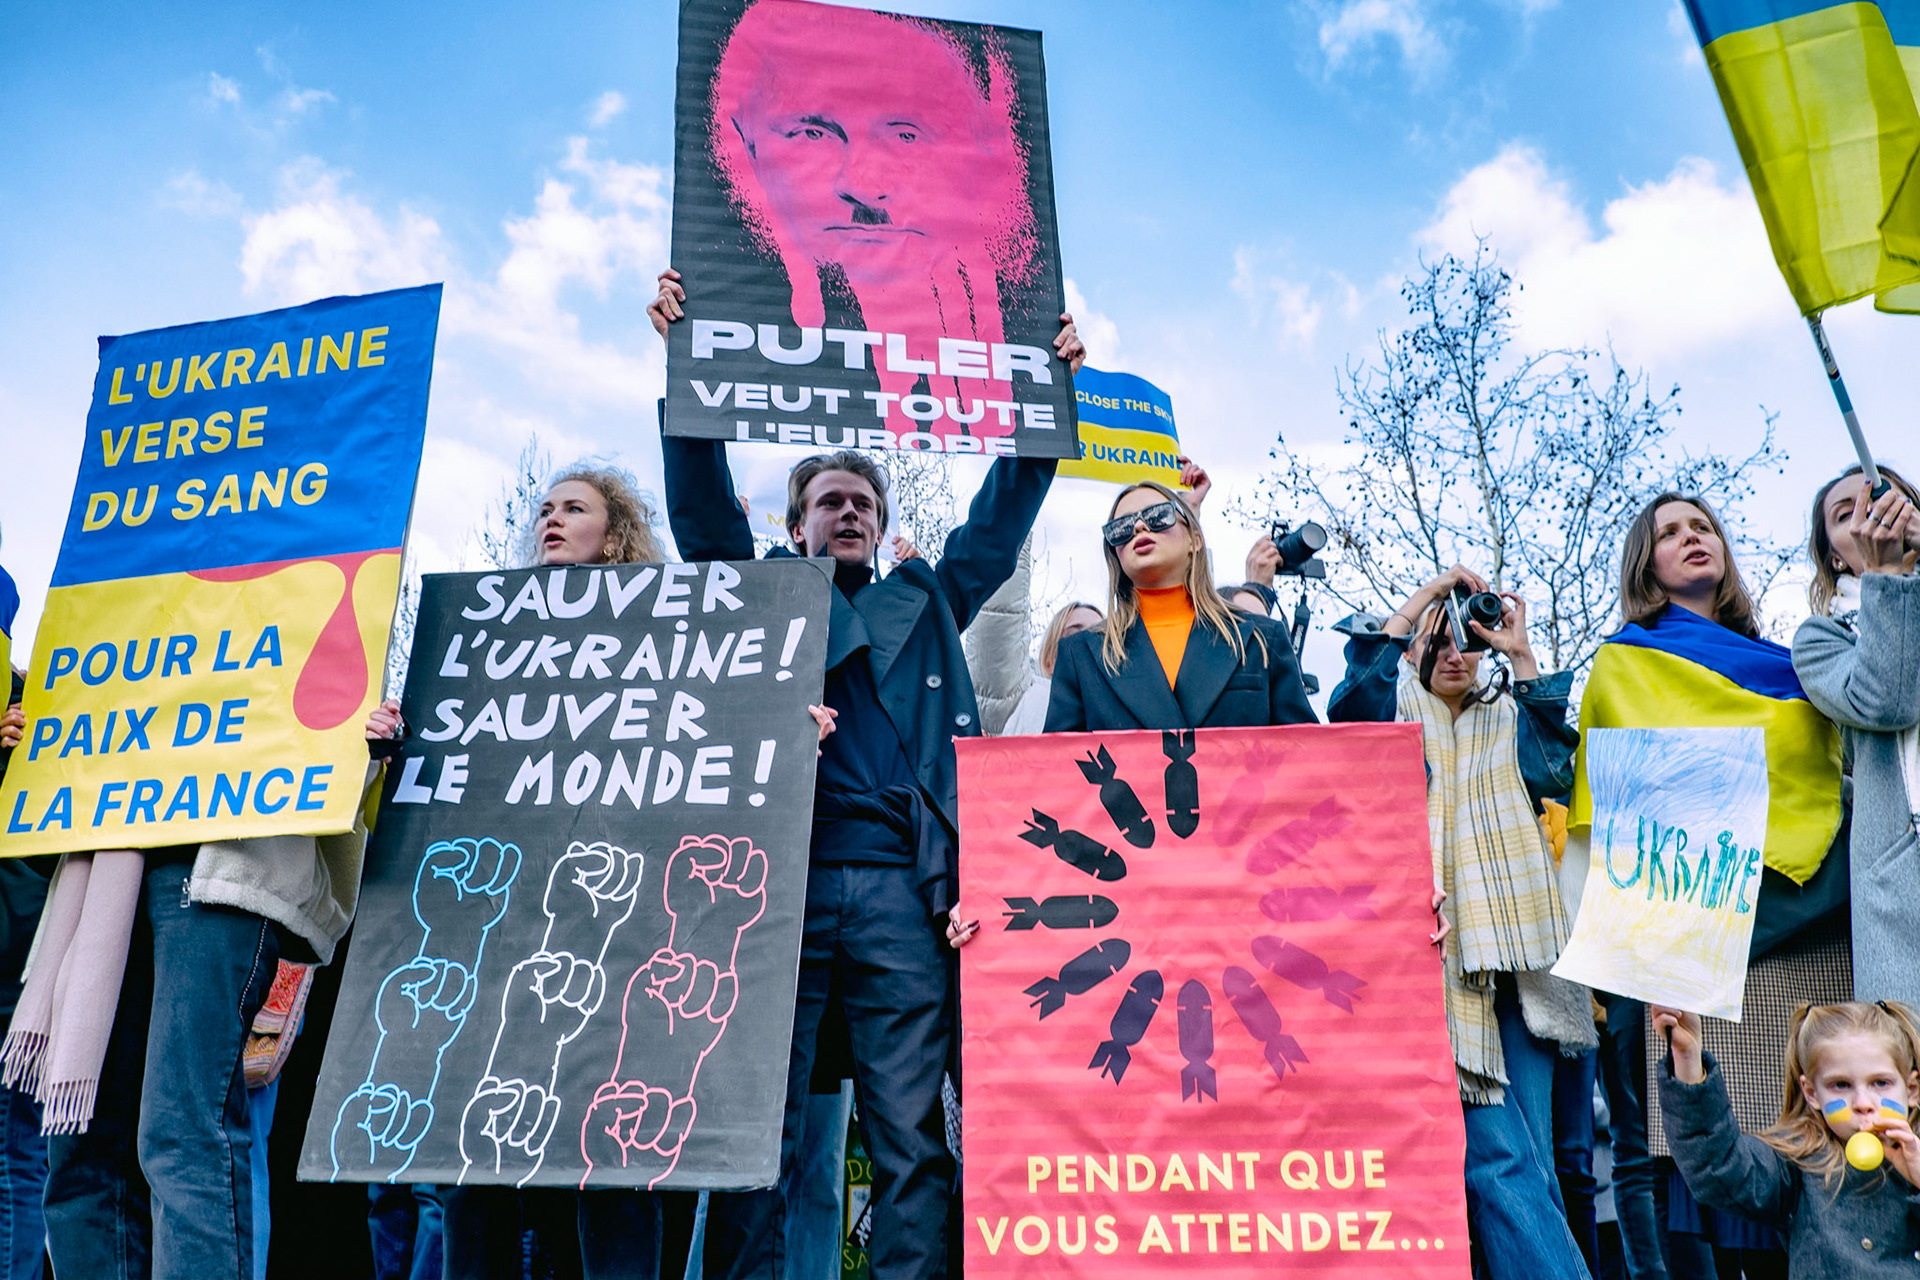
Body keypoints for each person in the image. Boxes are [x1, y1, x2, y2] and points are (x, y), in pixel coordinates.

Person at [651, 270, 1084, 1279]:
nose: (845, 512)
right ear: (798, 521)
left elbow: (1000, 516)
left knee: (908, 1134)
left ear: (882, 521)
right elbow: (703, 515)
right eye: (827, 500)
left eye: (861, 500)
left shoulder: (927, 598)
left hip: (901, 889)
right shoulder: (763, 593)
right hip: (776, 893)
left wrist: (1045, 392)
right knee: (752, 1130)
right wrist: (685, 367)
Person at [4, 668, 385, 1277]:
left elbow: (327, 695)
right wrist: (38, 749)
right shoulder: (119, 582)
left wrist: (358, 742)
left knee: (181, 1132)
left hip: (227, 863)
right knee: (80, 1150)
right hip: (100, 861)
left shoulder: (304, 576)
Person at [1570, 492, 1847, 1280]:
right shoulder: (1625, 661)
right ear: (1646, 564)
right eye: (1669, 533)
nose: (1692, 540)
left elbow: (1827, 776)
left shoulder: (1794, 664)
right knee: (1718, 1166)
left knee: (1810, 1146)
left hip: (1811, 918)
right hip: (1706, 928)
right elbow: (1620, 799)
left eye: (1703, 528)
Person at [1327, 565, 1596, 1280]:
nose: (1455, 655)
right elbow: (1347, 708)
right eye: (1437, 641)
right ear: (1413, 647)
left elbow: (1555, 775)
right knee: (1493, 1161)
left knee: (1524, 1161)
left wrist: (1525, 657)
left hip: (1520, 967)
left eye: (1468, 643)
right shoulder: (1389, 719)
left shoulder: (1511, 715)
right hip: (1420, 961)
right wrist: (1418, 606)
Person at [706, 0, 1040, 410]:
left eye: (905, 136)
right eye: (814, 134)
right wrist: (685, 346)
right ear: (748, 146)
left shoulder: (1014, 339)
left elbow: (1017, 451)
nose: (863, 187)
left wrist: (1057, 384)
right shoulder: (725, 328)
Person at [1653, 1000, 1920, 1277]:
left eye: (1881, 1083)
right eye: (1840, 1085)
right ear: (1812, 1093)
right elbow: (1719, 1165)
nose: (1863, 1103)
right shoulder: (1798, 1164)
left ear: (1912, 1088)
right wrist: (1687, 1057)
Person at [1792, 465, 1920, 1011]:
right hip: (1902, 878)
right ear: (1838, 557)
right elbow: (1886, 701)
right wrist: (1887, 579)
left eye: (1881, 497)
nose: (1868, 512)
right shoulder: (1822, 639)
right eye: (1846, 515)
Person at [1041, 480, 1316, 733]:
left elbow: (1306, 759)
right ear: (1115, 553)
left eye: (1158, 516)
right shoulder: (1080, 656)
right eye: (1122, 528)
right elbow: (1061, 773)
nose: (1138, 528)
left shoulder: (1262, 638)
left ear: (1195, 539)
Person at [997, 601, 1102, 736]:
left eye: (1101, 635)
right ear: (1050, 661)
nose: (1090, 641)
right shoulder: (1025, 698)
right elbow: (1000, 618)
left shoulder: (1126, 712)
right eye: (1076, 636)